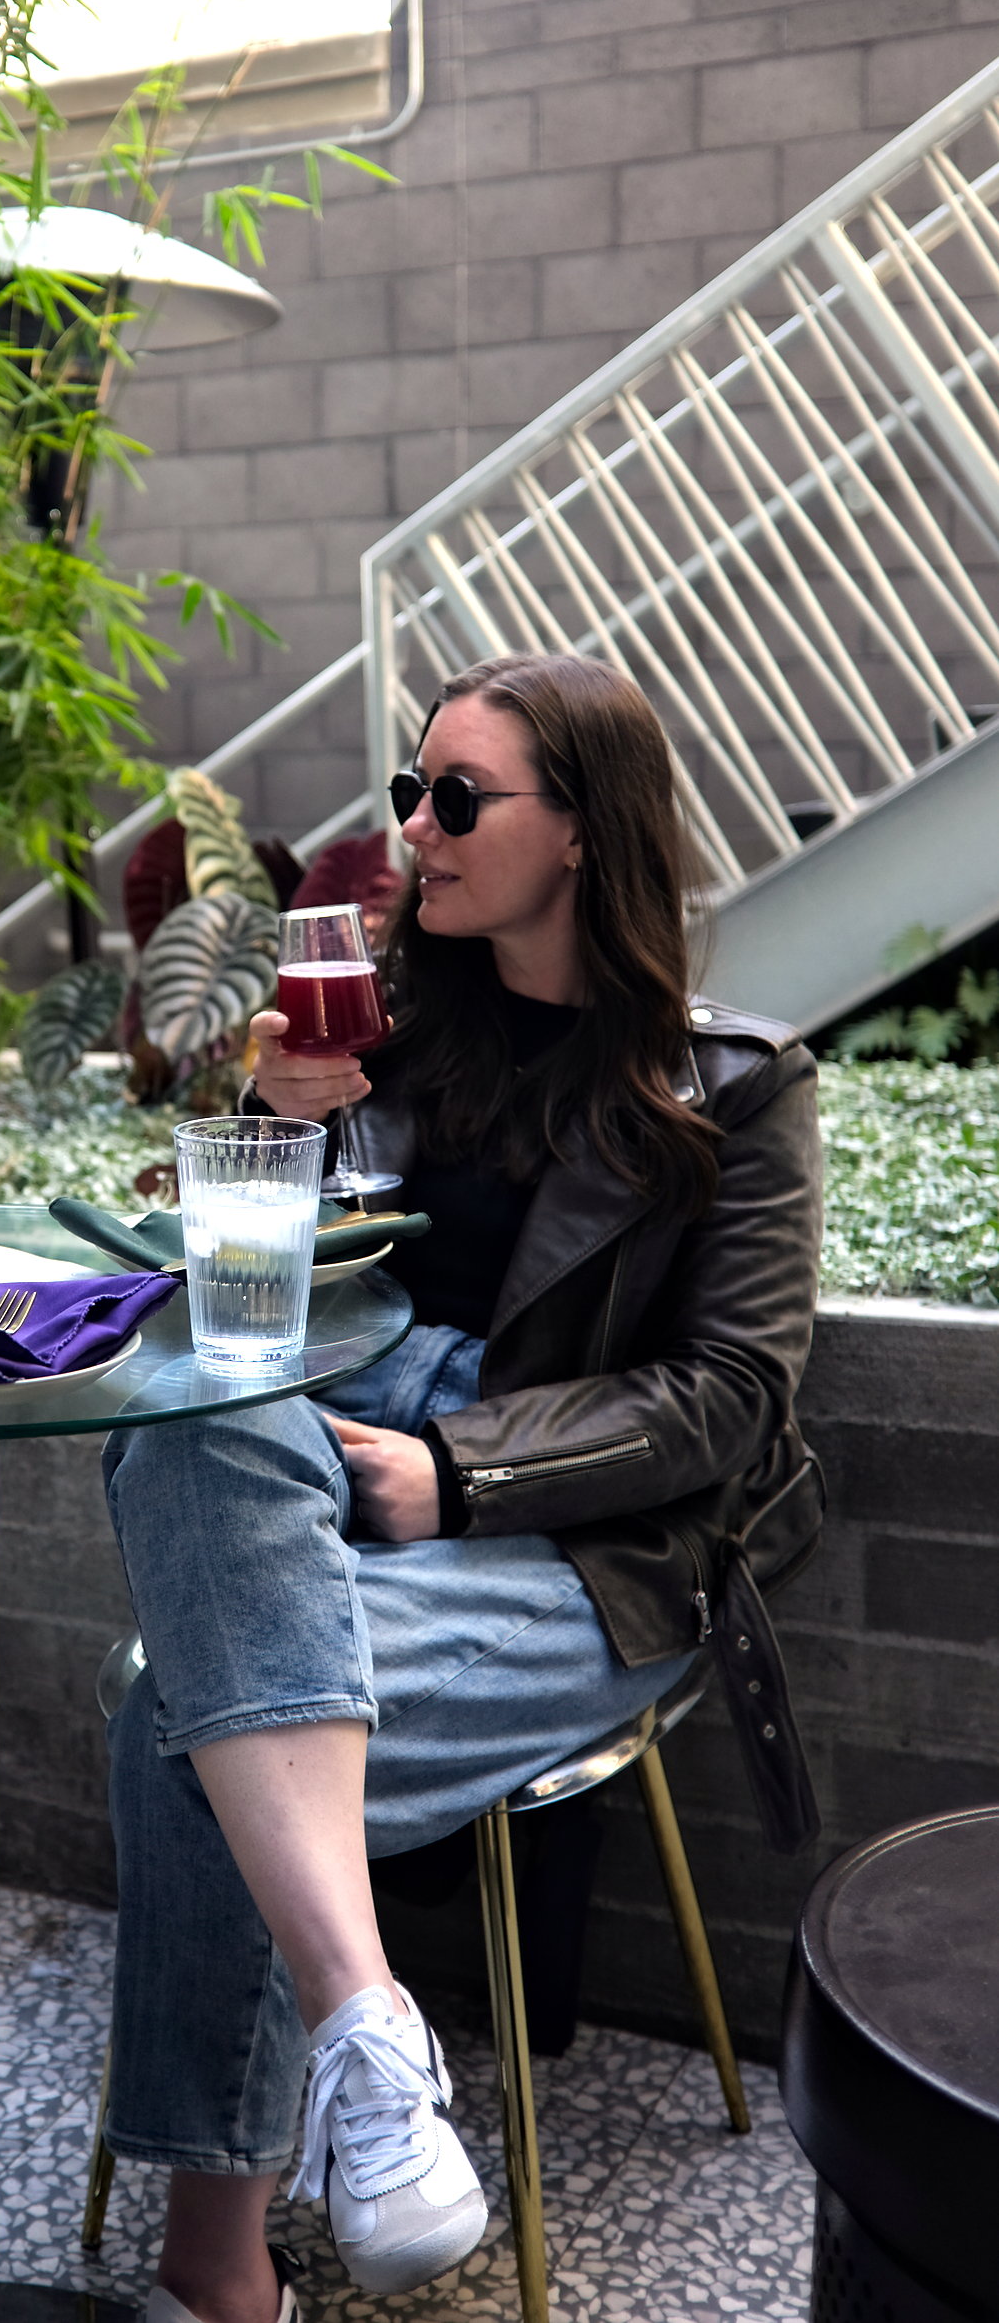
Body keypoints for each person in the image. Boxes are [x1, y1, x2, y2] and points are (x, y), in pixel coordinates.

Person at [100, 651, 826, 2323]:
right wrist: (266, 1135)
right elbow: (238, 1317)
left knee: (182, 1717)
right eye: (407, 793)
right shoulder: (393, 1047)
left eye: (455, 797)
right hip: (323, 1488)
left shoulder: (736, 1089)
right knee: (189, 1415)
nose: (410, 830)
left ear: (579, 831)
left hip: (588, 1552)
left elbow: (731, 1395)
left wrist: (462, 1472)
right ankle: (370, 2034)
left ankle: (215, 2278)